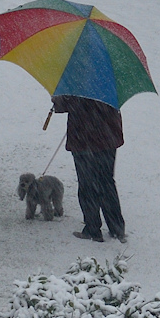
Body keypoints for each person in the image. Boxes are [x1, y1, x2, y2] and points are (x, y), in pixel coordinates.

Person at [50, 95, 127, 243]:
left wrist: (57, 99)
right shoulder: (110, 81)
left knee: (87, 184)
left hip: (84, 139)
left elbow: (62, 105)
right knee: (106, 182)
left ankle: (92, 229)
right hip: (108, 137)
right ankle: (117, 228)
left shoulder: (77, 79)